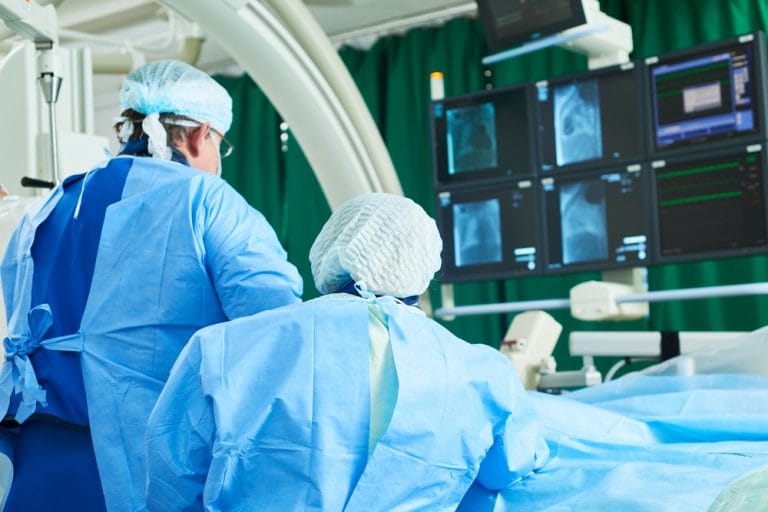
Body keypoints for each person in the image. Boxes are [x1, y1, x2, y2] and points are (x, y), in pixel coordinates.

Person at [0, 60, 303, 512]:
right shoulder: (206, 200)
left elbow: (17, 313)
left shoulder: (51, 204)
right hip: (146, 466)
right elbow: (278, 332)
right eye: (220, 145)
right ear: (202, 135)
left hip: (37, 458)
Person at [145, 192, 549, 511]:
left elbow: (171, 484)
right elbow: (508, 468)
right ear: (424, 266)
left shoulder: (222, 348)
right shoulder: (480, 370)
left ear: (329, 249)